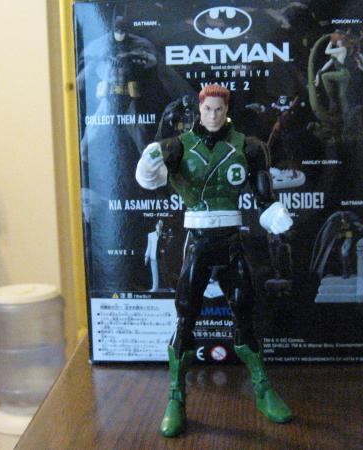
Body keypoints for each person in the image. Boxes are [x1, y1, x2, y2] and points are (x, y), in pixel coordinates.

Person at [136, 84, 293, 437]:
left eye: (219, 110)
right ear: (199, 109)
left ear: (227, 110)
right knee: (185, 316)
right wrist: (149, 161)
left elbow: (263, 195)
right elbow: (149, 181)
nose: (213, 115)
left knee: (244, 311)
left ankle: (262, 389)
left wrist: (274, 216)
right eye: (207, 109)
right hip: (198, 239)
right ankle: (176, 396)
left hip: (231, 239)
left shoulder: (249, 147)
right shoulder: (178, 147)